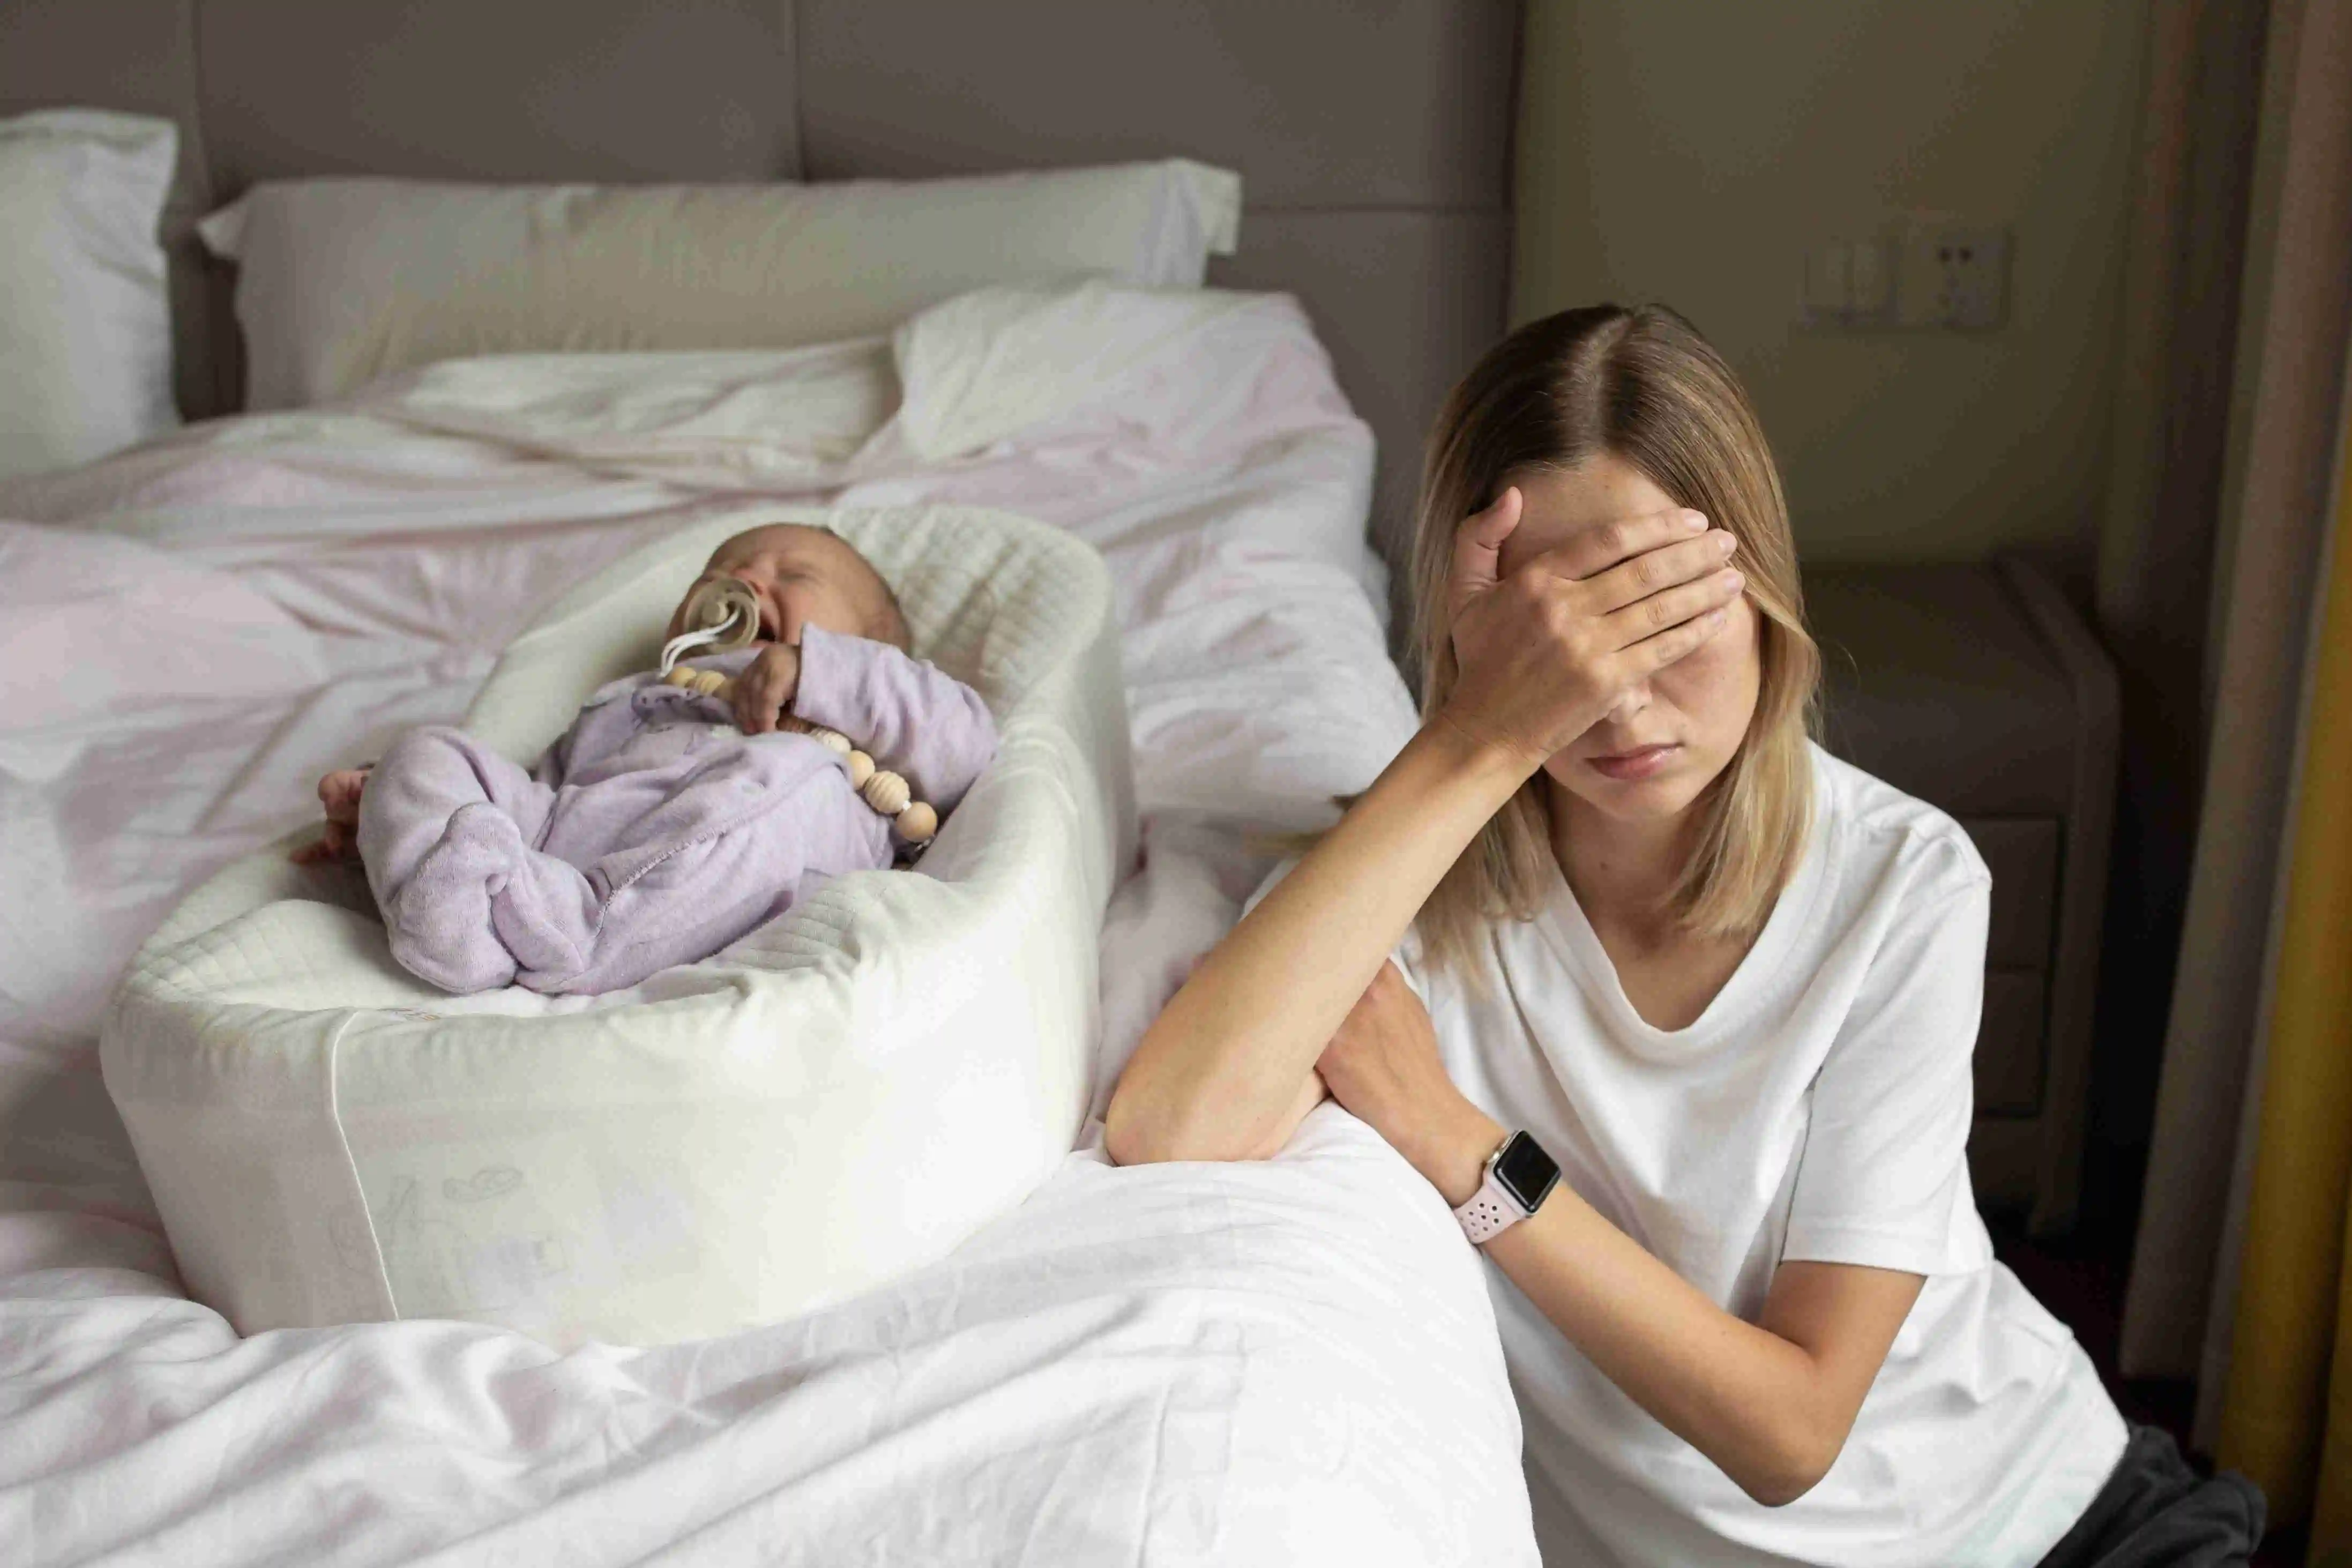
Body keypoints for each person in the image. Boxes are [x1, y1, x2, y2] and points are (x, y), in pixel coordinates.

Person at [1106, 307, 2264, 1565]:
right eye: (1561, 632)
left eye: (1660, 616)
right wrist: (1479, 733)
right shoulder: (1403, 891)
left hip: (2042, 1521)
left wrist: (1457, 1141)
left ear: (1761, 587)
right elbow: (1175, 1128)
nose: (1618, 694)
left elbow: (1794, 1429)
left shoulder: (1903, 880)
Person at [295, 523, 996, 996]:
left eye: (794, 572)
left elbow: (966, 744)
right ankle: (450, 900)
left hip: (727, 865)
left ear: (876, 649)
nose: (747, 578)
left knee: (789, 782)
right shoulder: (643, 694)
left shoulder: (875, 705)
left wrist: (817, 669)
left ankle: (567, 934)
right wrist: (397, 803)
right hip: (561, 842)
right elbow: (552, 781)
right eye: (723, 572)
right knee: (426, 751)